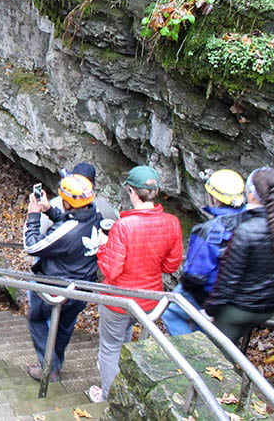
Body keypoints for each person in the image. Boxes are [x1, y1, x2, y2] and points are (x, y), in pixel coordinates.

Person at [90, 165, 183, 402]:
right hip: (150, 300)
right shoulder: (172, 223)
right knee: (127, 339)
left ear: (132, 192)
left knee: (110, 348)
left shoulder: (124, 226)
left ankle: (110, 397)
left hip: (119, 300)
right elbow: (171, 266)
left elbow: (110, 269)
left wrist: (102, 245)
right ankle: (125, 382)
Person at [205, 167, 274, 345]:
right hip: (268, 306)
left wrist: (210, 310)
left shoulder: (246, 229)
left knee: (215, 355)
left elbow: (229, 279)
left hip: (236, 309)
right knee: (234, 346)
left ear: (250, 193)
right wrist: (273, 293)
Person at [22, 173, 108, 382]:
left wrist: (34, 216)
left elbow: (32, 246)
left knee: (37, 319)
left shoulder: (69, 231)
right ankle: (54, 365)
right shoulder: (95, 216)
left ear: (68, 203)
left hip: (55, 286)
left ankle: (48, 367)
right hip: (82, 286)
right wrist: (49, 210)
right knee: (64, 325)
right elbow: (71, 222)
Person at [163, 169, 247, 336]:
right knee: (207, 325)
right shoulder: (251, 222)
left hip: (210, 292)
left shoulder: (211, 231)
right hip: (237, 293)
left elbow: (196, 273)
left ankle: (193, 357)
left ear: (214, 198)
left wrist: (186, 287)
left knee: (170, 313)